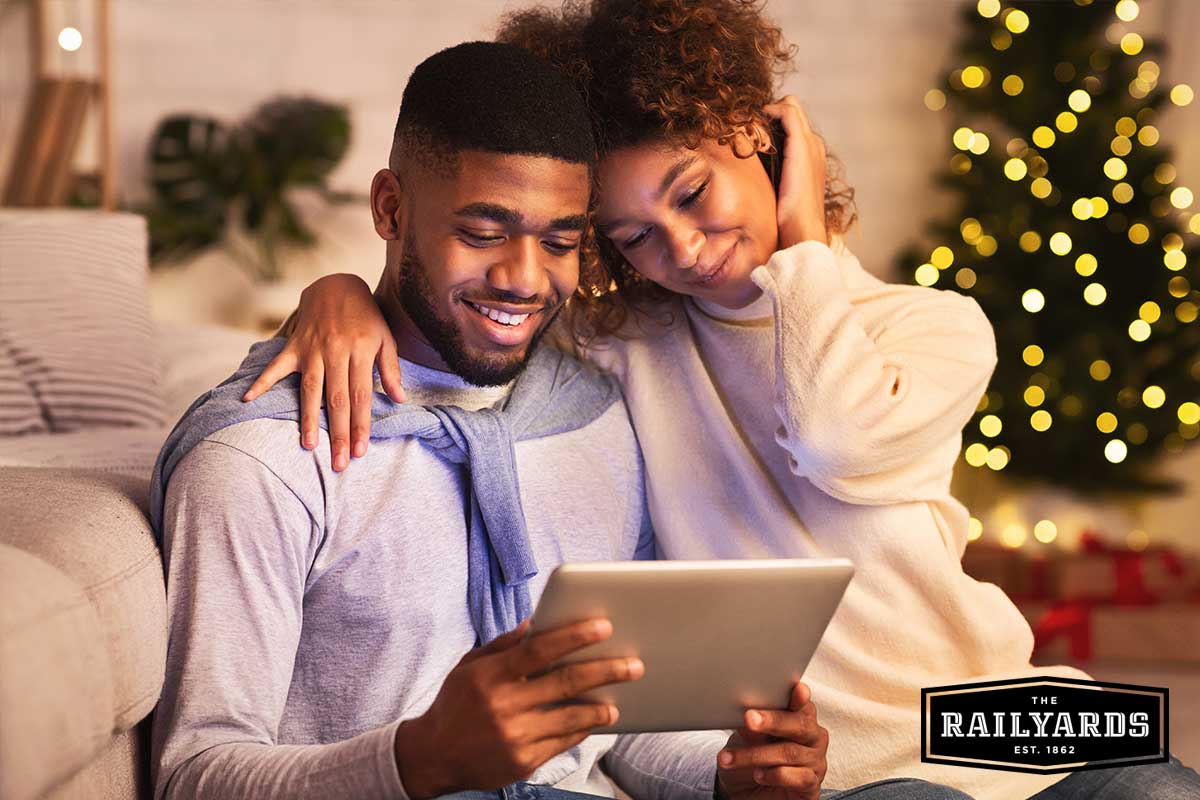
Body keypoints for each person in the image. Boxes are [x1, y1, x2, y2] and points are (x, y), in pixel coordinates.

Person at [248, 2, 1200, 800]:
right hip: (839, 765)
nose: (683, 248)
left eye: (693, 193)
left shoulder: (932, 328)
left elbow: (837, 437)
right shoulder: (625, 346)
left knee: (1161, 784)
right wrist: (337, 292)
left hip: (992, 713)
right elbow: (466, 308)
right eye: (634, 235)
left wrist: (803, 242)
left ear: (764, 138)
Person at [149, 40, 843, 800]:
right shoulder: (267, 458)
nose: (523, 280)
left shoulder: (590, 412)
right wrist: (419, 760)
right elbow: (194, 776)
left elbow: (618, 724)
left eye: (561, 242)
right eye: (482, 234)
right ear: (390, 209)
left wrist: (733, 775)